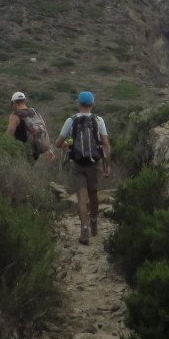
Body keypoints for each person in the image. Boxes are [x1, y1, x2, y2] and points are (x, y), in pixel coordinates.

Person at [58, 90, 111, 244]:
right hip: (95, 164)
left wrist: (70, 145)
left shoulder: (71, 120)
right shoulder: (98, 120)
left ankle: (84, 231)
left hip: (77, 165)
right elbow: (106, 144)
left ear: (79, 104)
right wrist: (108, 165)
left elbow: (58, 143)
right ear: (92, 104)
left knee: (82, 199)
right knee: (94, 194)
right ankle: (94, 221)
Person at [6, 91, 55, 161]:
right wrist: (48, 149)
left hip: (22, 152)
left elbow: (8, 135)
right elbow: (44, 130)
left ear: (14, 103)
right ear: (24, 101)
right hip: (37, 152)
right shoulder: (35, 112)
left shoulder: (15, 115)